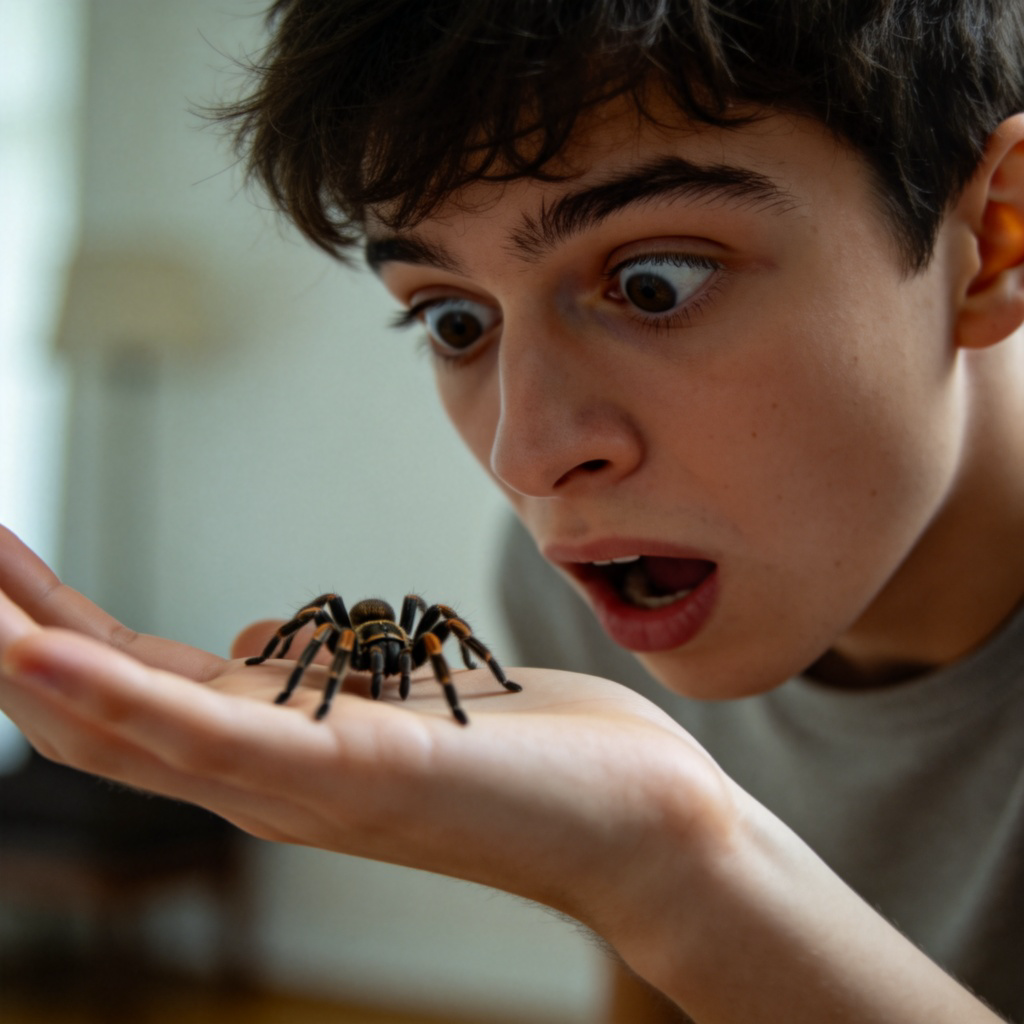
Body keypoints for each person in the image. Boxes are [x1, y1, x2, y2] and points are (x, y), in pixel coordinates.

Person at [1, 1, 1023, 1020]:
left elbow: (672, 903)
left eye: (657, 283)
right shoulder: (592, 585)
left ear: (996, 238)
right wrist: (634, 877)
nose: (525, 456)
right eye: (454, 319)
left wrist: (675, 876)